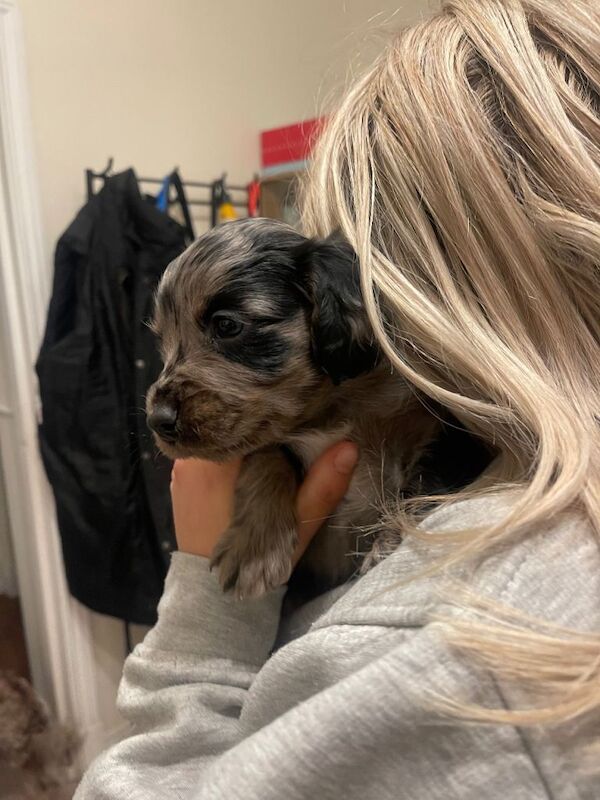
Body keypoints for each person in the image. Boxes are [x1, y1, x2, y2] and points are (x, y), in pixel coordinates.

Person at [75, 1, 600, 797]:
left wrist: (202, 630)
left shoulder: (470, 641)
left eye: (228, 329)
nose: (167, 392)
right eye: (169, 343)